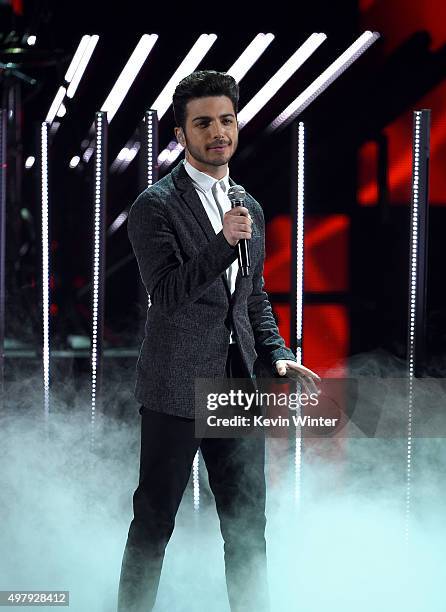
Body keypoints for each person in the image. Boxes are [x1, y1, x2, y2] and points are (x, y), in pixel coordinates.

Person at [117, 70, 319, 612]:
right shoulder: (155, 206)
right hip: (176, 386)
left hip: (236, 383)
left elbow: (253, 296)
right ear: (181, 135)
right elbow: (168, 293)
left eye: (226, 119)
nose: (218, 132)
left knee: (247, 524)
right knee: (155, 523)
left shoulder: (246, 205)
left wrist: (275, 354)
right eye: (203, 123)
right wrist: (220, 243)